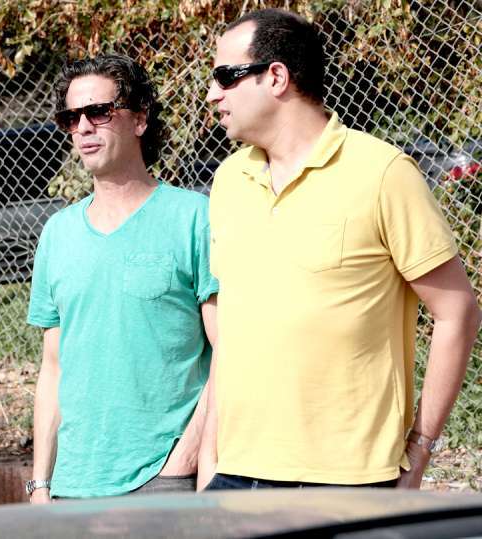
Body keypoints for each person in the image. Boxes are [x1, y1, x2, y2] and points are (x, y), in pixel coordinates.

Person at [199, 9, 481, 490]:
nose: (212, 94)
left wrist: (420, 452)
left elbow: (458, 312)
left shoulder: (383, 173)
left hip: (348, 482)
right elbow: (234, 332)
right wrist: (211, 461)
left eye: (226, 76)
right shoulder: (229, 181)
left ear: (276, 77)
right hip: (236, 475)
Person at [27, 54, 219, 502]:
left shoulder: (194, 217)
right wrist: (41, 483)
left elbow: (229, 351)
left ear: (139, 120)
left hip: (162, 479)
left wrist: (185, 459)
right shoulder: (57, 233)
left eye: (99, 112)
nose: (83, 128)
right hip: (70, 488)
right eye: (71, 117)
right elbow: (53, 368)